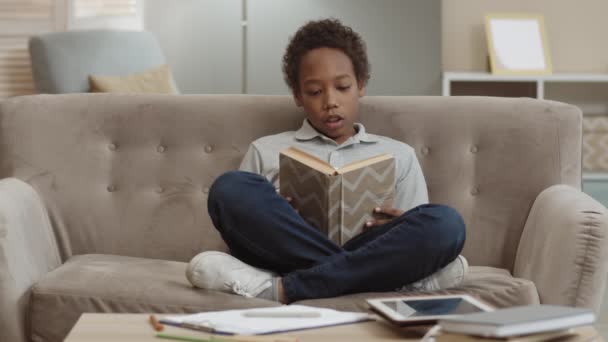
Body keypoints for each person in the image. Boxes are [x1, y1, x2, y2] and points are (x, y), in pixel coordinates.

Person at [186, 18, 467, 304]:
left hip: (367, 250)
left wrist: (396, 222)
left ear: (361, 86)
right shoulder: (266, 150)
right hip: (288, 255)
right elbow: (243, 233)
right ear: (297, 95)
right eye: (315, 92)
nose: (330, 101)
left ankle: (284, 289)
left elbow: (415, 238)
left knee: (446, 223)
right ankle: (389, 285)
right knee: (230, 188)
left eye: (343, 87)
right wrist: (281, 217)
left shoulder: (400, 154)